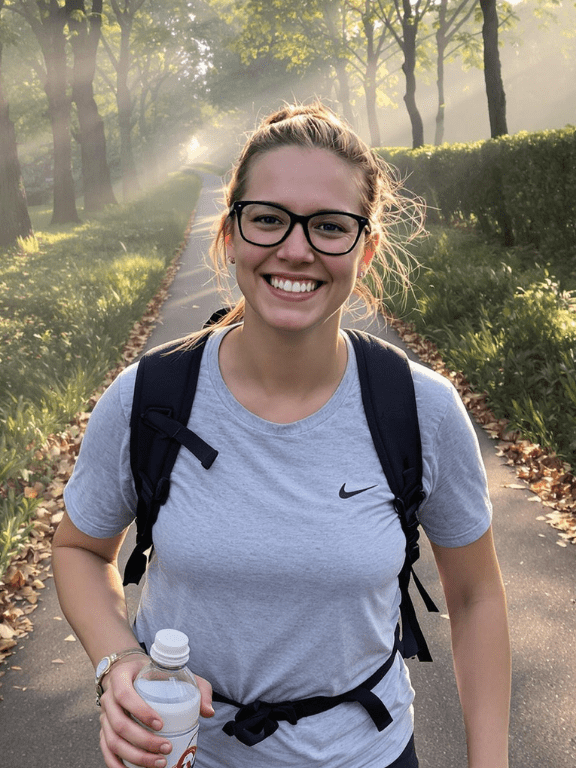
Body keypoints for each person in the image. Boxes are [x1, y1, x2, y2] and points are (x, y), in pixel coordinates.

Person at [52, 102, 511, 768]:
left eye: (330, 226)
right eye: (267, 218)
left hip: (368, 755)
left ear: (366, 247)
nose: (295, 249)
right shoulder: (146, 399)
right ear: (230, 232)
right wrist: (118, 660)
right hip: (180, 754)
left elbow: (476, 596)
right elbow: (79, 551)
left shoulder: (420, 410)